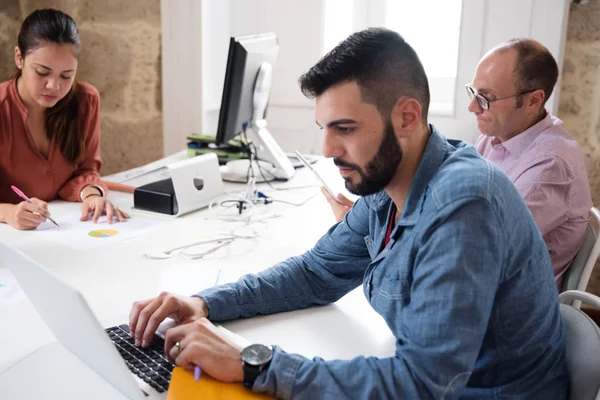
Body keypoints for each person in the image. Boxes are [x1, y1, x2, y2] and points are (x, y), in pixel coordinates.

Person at [129, 28, 568, 399]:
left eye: (345, 128)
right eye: (325, 129)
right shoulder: (389, 180)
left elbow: (421, 385)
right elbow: (317, 272)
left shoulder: (463, 205)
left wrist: (252, 363)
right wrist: (203, 303)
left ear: (407, 117)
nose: (327, 150)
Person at [468, 38, 592, 289]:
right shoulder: (495, 136)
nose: (472, 107)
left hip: (511, 304)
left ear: (534, 101)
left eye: (486, 98)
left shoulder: (551, 165)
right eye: (473, 92)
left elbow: (483, 246)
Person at [0, 9, 129, 230]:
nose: (54, 86)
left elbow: (87, 169)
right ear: (19, 58)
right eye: (42, 72)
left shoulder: (86, 100)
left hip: (62, 227)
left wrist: (91, 195)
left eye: (66, 75)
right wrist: (10, 213)